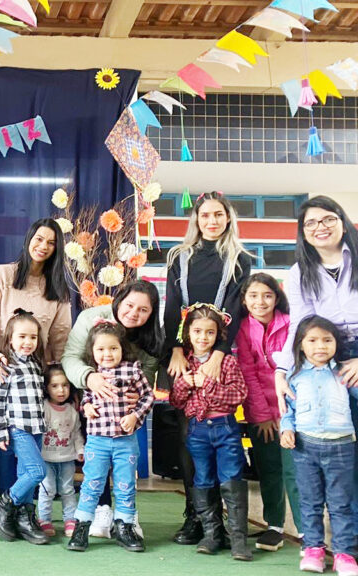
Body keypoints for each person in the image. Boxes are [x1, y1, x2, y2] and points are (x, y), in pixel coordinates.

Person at [163, 191, 252, 546]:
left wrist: (218, 352)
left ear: (228, 218)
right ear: (196, 220)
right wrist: (174, 349)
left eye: (218, 215)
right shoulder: (179, 257)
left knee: (222, 437)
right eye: (205, 216)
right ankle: (196, 519)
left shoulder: (241, 258)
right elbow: (171, 307)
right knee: (190, 438)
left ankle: (226, 523)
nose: (211, 221)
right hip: (184, 352)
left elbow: (237, 307)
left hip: (221, 353)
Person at [272, 196, 358, 533]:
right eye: (311, 223)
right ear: (303, 232)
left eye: (327, 219)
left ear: (342, 221)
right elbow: (300, 325)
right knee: (340, 452)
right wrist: (282, 370)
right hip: (324, 355)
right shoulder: (298, 272)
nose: (320, 227)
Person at [60, 279, 162, 538]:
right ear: (119, 300)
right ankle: (102, 509)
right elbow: (70, 356)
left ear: (151, 313)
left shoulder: (151, 337)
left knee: (127, 461)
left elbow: (147, 379)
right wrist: (89, 378)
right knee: (98, 462)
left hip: (127, 411)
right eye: (129, 305)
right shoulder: (92, 318)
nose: (133, 313)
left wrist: (134, 399)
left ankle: (127, 516)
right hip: (95, 401)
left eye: (143, 310)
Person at [0, 219, 71, 499]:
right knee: (6, 441)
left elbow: (60, 337)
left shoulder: (58, 288)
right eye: (39, 239)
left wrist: (60, 378)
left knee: (32, 445)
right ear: (28, 238)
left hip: (35, 376)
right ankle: (9, 506)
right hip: (0, 371)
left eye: (51, 243)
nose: (43, 246)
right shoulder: (2, 275)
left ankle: (25, 508)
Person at [170, 304, 250, 561]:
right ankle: (211, 535)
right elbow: (176, 400)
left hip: (225, 428)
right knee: (202, 479)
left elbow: (238, 395)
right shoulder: (186, 363)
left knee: (232, 478)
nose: (203, 337)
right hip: (197, 431)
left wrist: (209, 386)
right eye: (197, 331)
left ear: (218, 335)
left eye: (209, 332)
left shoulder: (226, 362)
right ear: (188, 334)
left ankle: (238, 540)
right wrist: (185, 383)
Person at [281, 317, 358, 576]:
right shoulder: (294, 377)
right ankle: (313, 548)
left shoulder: (346, 373)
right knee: (310, 501)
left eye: (327, 340)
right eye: (312, 340)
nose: (320, 346)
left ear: (336, 343)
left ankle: (344, 553)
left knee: (341, 503)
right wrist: (286, 428)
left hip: (342, 448)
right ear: (301, 345)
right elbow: (287, 410)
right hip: (305, 447)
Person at [67, 321, 153, 553]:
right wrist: (86, 408)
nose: (107, 354)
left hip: (126, 441)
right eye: (101, 349)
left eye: (113, 348)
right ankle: (81, 527)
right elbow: (86, 399)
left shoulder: (133, 370)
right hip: (98, 440)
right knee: (91, 485)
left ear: (122, 348)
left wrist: (135, 416)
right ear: (92, 352)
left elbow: (148, 397)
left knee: (125, 486)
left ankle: (125, 527)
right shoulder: (92, 376)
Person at [236, 273, 300, 552]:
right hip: (259, 415)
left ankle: (307, 532)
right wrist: (261, 415)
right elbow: (248, 374)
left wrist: (286, 415)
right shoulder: (241, 328)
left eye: (267, 295)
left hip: (294, 413)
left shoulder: (292, 324)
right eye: (253, 295)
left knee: (294, 473)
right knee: (270, 470)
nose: (260, 302)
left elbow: (296, 370)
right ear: (244, 299)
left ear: (277, 297)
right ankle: (274, 526)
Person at [0, 311, 49, 546]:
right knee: (37, 472)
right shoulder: (5, 365)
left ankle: (24, 517)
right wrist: (0, 431)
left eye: (33, 337)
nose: (27, 342)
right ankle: (3, 504)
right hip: (17, 427)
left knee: (27, 475)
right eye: (22, 336)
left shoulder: (35, 364)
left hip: (36, 428)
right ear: (10, 338)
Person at [37, 365, 83, 539]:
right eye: (55, 386)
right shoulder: (44, 408)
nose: (61, 390)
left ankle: (70, 519)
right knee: (47, 489)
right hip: (46, 457)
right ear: (47, 388)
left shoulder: (72, 410)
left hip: (67, 457)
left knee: (67, 489)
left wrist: (80, 450)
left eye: (65, 385)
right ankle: (45, 520)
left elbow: (77, 432)